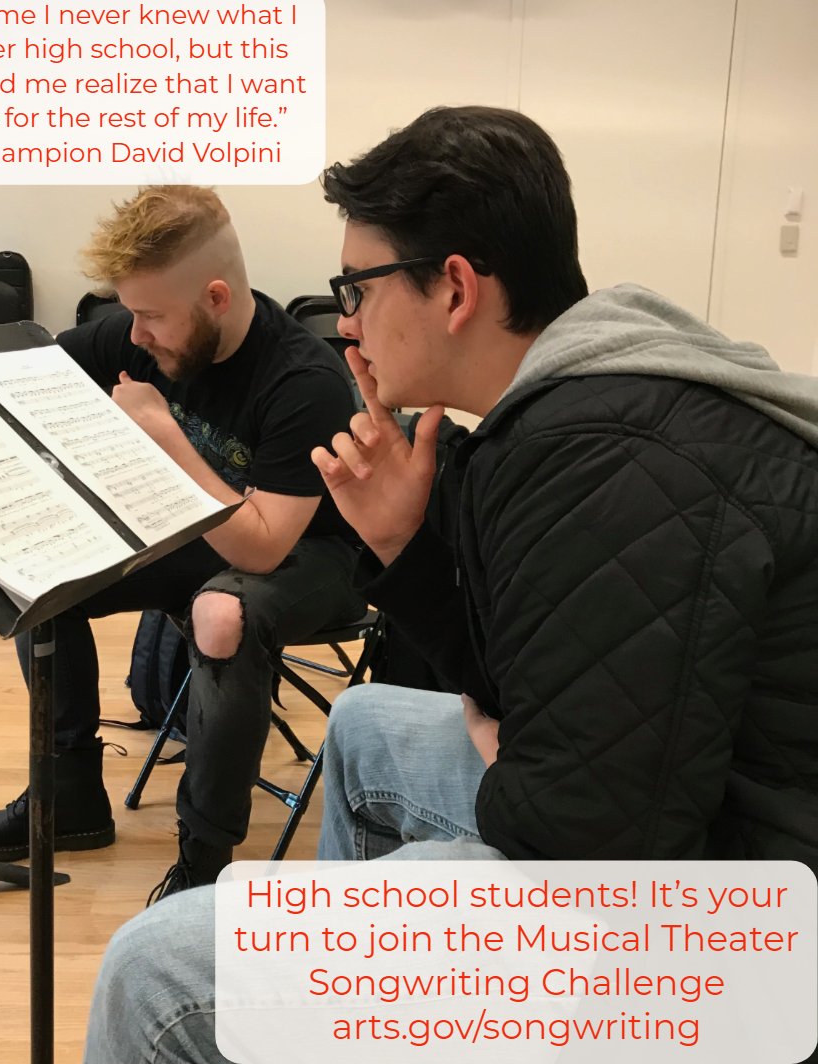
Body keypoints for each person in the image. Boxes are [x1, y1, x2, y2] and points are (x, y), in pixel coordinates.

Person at [82, 106, 818, 1062]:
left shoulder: (611, 466)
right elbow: (516, 677)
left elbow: (591, 857)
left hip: (735, 918)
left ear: (458, 289)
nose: (346, 322)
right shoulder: (567, 407)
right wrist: (405, 547)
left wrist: (501, 755)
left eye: (357, 287)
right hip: (672, 814)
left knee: (153, 968)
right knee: (362, 722)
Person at [0, 185, 365, 898]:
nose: (134, 335)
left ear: (215, 298)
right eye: (129, 312)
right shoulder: (135, 335)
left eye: (151, 316)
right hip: (204, 531)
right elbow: (25, 374)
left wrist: (165, 435)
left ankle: (205, 864)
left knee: (222, 615)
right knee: (38, 574)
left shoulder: (304, 380)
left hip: (314, 554)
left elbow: (262, 547)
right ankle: (69, 793)